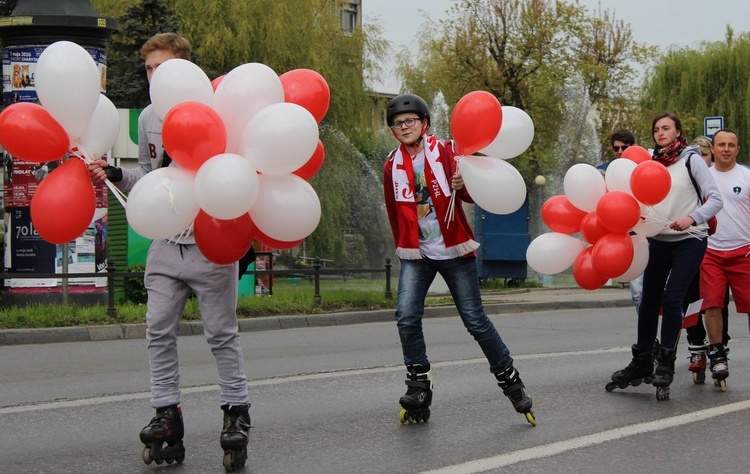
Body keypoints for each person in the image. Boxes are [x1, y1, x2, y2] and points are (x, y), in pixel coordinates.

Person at [88, 33, 250, 472]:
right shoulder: (146, 119)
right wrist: (117, 173)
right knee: (157, 327)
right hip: (166, 244)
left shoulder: (219, 111)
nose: (154, 77)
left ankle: (236, 413)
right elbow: (150, 175)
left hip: (211, 241)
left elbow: (235, 175)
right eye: (148, 69)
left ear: (185, 69)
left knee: (220, 332)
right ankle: (167, 415)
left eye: (162, 68)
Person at [382, 94, 535, 426]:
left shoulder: (448, 152)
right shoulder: (391, 165)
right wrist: (403, 245)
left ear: (424, 124)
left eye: (410, 121)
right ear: (393, 130)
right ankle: (418, 382)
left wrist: (463, 183)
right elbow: (394, 211)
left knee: (475, 320)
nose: (404, 127)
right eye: (398, 123)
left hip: (454, 250)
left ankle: (510, 378)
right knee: (406, 316)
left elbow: (471, 194)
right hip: (417, 254)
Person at [606, 112, 722, 401]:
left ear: (678, 132)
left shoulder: (691, 159)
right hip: (658, 239)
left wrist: (692, 218)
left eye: (666, 128)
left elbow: (716, 199)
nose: (660, 133)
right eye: (656, 129)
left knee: (673, 299)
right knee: (648, 301)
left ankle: (666, 363)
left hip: (690, 239)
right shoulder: (649, 161)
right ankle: (643, 360)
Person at [697, 128, 750, 390]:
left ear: (738, 149)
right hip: (711, 252)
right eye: (721, 144)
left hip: (744, 251)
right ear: (713, 149)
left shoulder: (747, 176)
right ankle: (717, 355)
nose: (727, 149)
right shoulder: (703, 178)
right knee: (713, 304)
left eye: (732, 145)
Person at [683, 135, 730, 382]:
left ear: (710, 156)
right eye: (696, 155)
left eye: (704, 154)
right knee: (689, 299)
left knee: (716, 302)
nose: (700, 159)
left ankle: (720, 347)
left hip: (717, 249)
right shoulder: (684, 180)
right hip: (691, 248)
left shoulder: (717, 180)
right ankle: (696, 346)